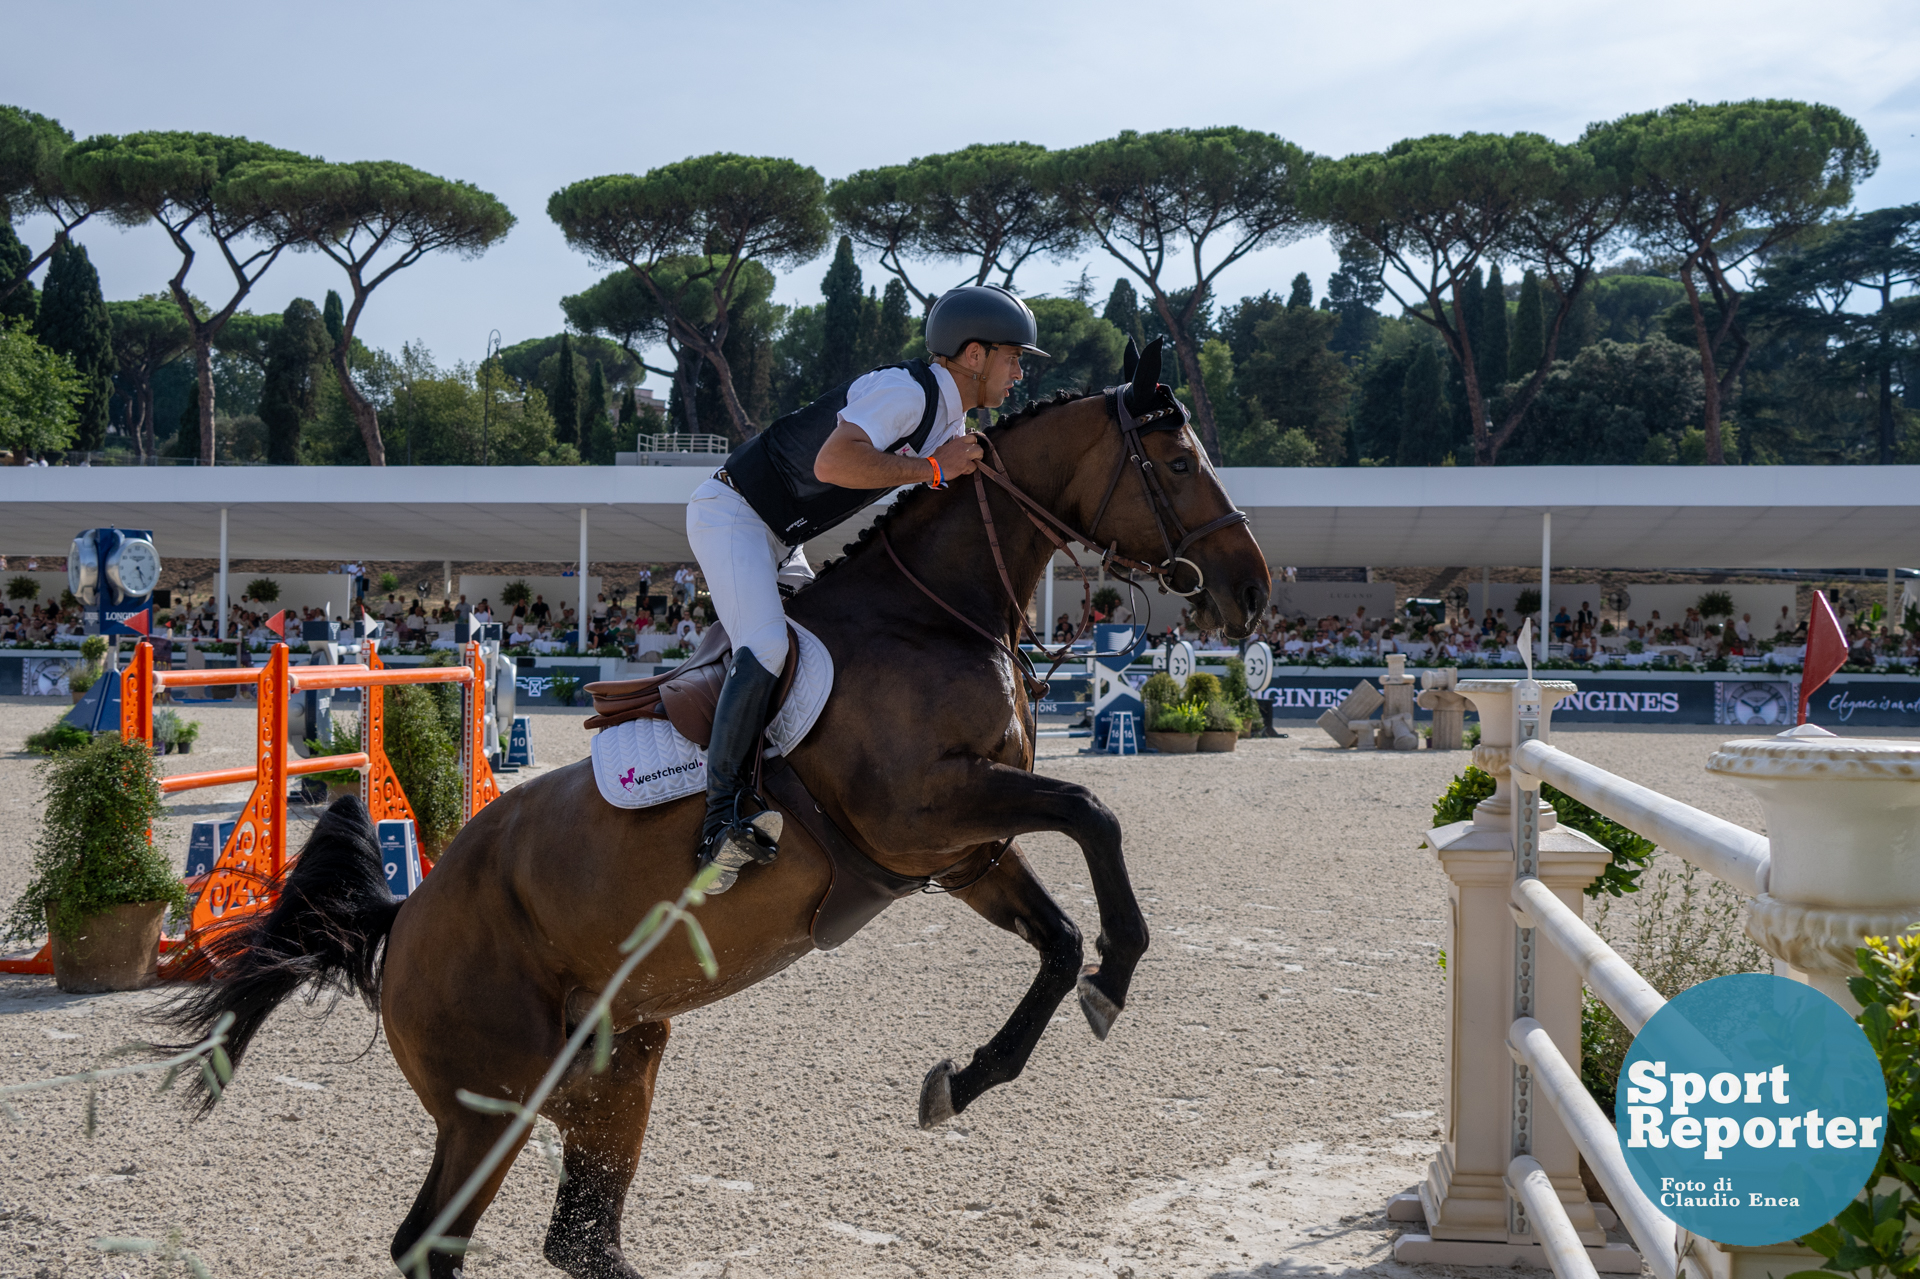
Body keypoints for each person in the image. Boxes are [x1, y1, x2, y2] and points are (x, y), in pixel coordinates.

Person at [683, 284, 1042, 891]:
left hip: (784, 537)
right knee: (768, 648)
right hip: (734, 513)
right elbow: (834, 464)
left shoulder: (950, 418)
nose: (1020, 373)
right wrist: (932, 469)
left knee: (827, 649)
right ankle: (720, 822)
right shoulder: (906, 392)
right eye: (1015, 357)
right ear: (974, 355)